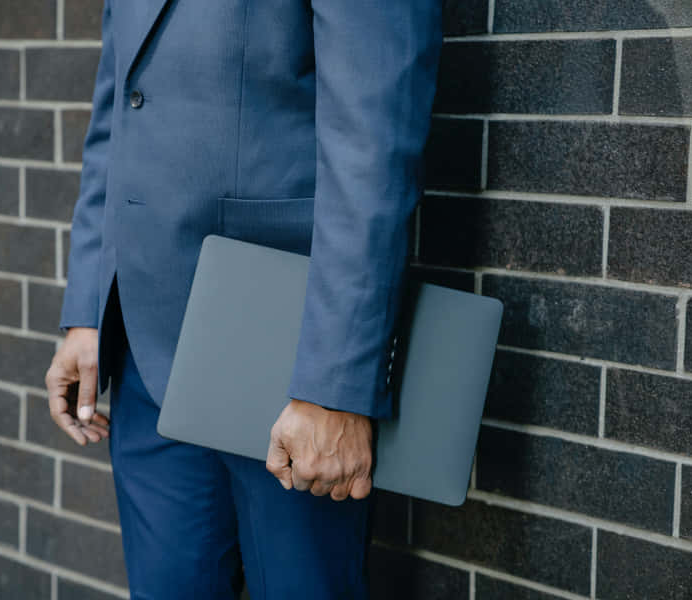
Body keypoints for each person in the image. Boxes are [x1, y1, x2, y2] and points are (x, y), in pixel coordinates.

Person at [45, 1, 443, 597]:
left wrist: (334, 385)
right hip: (143, 363)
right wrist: (87, 312)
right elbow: (118, 115)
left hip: (287, 363)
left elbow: (373, 149)